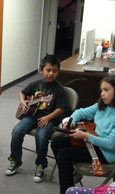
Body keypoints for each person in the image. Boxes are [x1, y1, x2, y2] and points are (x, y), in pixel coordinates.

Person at [51, 75, 115, 194]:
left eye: (106, 90)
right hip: (93, 140)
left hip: (106, 152)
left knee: (64, 155)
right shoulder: (104, 105)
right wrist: (71, 122)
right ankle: (70, 175)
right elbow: (80, 112)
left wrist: (86, 136)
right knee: (56, 143)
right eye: (102, 90)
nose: (102, 94)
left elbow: (111, 144)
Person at [5, 54, 69, 183]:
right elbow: (22, 93)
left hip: (50, 118)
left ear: (58, 72)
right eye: (48, 70)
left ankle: (40, 165)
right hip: (33, 115)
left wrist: (47, 118)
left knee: (41, 136)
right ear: (41, 70)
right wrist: (23, 103)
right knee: (17, 131)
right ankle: (15, 160)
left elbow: (61, 109)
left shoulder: (59, 89)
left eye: (55, 71)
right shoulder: (35, 84)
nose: (51, 73)